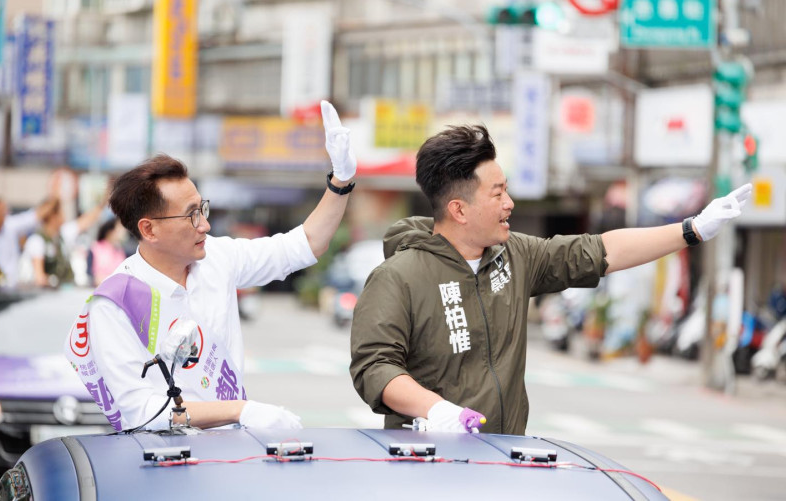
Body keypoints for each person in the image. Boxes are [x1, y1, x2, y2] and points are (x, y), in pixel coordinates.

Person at [349, 124, 752, 436]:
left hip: (506, 453)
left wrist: (692, 229)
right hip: (426, 462)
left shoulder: (516, 255)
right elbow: (374, 366)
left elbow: (601, 251)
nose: (510, 203)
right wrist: (436, 410)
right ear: (458, 209)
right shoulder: (397, 277)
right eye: (497, 194)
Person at [65, 101, 356, 432]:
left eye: (201, 208)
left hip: (230, 456)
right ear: (149, 229)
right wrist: (239, 411)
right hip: (163, 466)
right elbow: (140, 411)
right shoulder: (116, 304)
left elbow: (300, 247)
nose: (204, 224)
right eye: (191, 214)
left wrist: (341, 181)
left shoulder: (218, 257)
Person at [23, 197, 105, 288]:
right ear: (53, 217)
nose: (63, 215)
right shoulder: (37, 241)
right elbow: (39, 278)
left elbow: (87, 221)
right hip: (47, 297)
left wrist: (104, 202)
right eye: (61, 212)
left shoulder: (62, 235)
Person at [0, 197, 57, 288]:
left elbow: (36, 215)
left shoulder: (11, 226)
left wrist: (55, 197)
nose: (4, 214)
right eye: (1, 212)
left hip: (12, 286)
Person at [88, 217, 129, 285]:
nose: (124, 230)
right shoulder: (95, 248)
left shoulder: (121, 251)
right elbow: (91, 275)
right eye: (120, 228)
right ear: (110, 231)